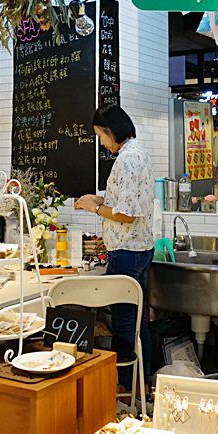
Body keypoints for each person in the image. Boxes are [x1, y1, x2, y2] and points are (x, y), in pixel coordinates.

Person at [75, 105, 154, 393]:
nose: (101, 142)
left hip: (126, 251)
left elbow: (126, 215)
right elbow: (126, 201)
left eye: (100, 135)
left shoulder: (127, 159)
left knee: (123, 324)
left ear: (111, 131)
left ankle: (127, 388)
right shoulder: (136, 152)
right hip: (139, 249)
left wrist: (95, 208)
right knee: (137, 323)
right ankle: (143, 384)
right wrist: (98, 199)